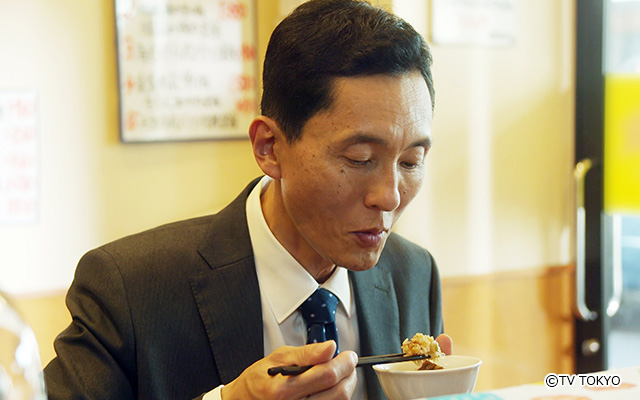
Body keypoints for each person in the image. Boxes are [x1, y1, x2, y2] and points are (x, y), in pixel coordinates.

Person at [43, 0, 451, 399]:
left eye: (411, 161)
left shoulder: (413, 274)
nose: (390, 196)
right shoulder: (129, 290)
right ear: (269, 147)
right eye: (359, 159)